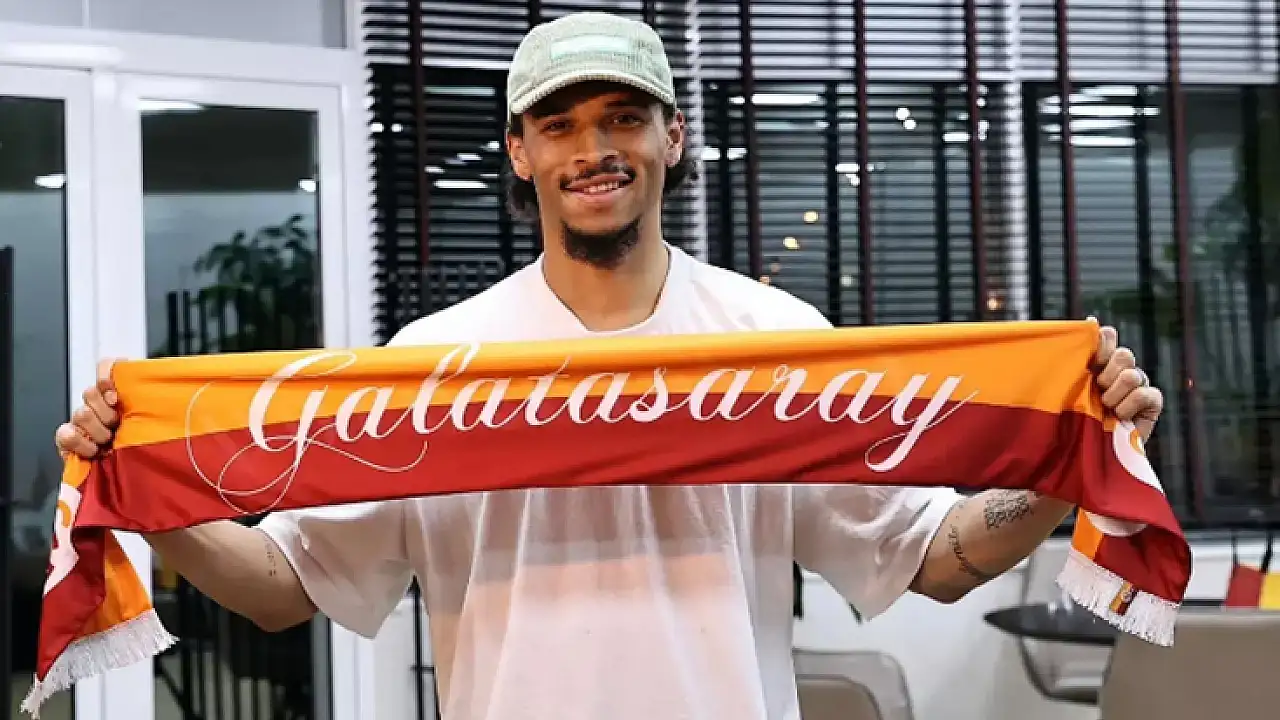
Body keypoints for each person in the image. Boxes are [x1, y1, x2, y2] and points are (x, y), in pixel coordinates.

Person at [55, 11, 1164, 720]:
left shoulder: (775, 346)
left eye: (623, 117)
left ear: (671, 136)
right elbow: (283, 589)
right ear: (519, 151)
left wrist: (1068, 464)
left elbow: (932, 558)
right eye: (559, 124)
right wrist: (144, 493)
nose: (592, 148)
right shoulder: (433, 367)